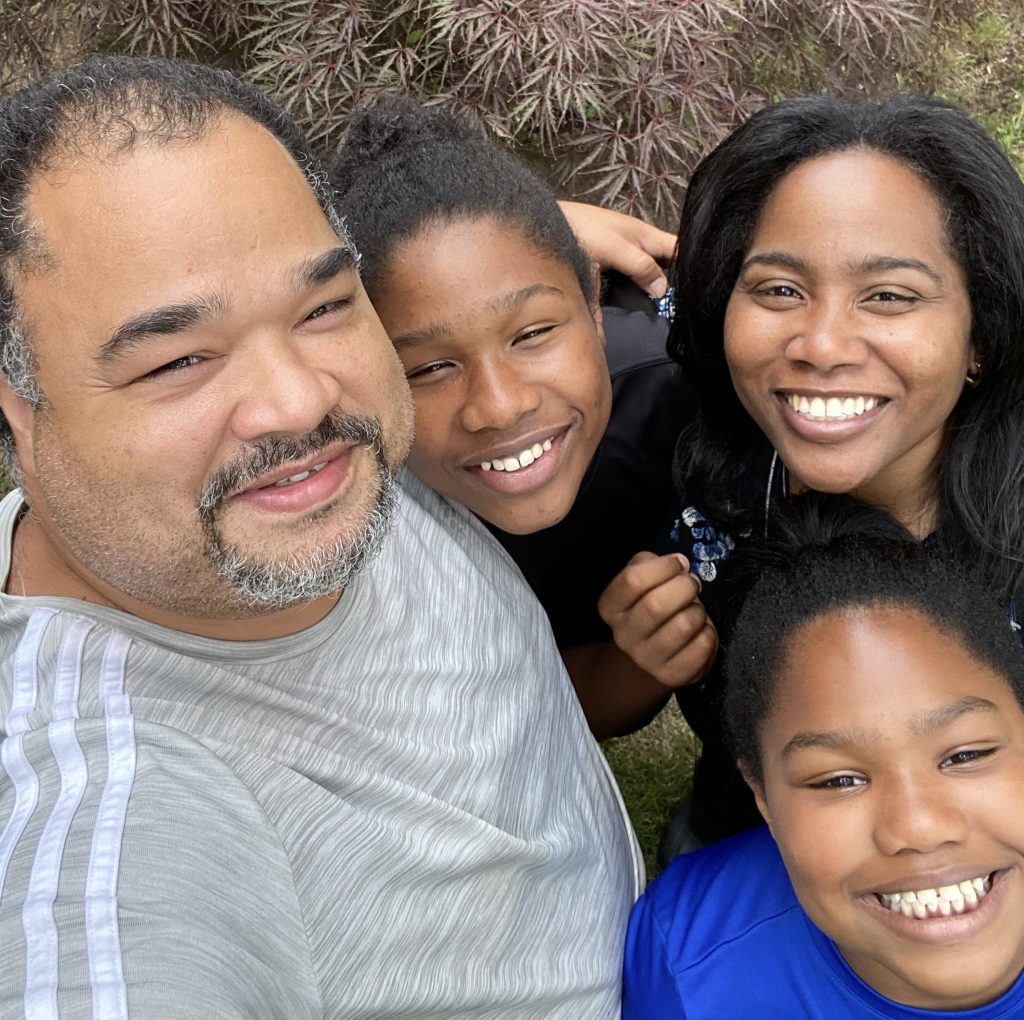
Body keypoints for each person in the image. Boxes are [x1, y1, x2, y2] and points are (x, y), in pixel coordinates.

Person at [0, 55, 644, 1017]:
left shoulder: (357, 448)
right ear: (19, 403)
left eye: (323, 304)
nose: (298, 400)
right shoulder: (106, 832)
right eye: (179, 358)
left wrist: (527, 235)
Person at [663, 93, 1024, 849]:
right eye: (780, 289)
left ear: (980, 336)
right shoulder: (719, 470)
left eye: (888, 296)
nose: (823, 345)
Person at [330, 96, 714, 739]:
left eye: (532, 333)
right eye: (428, 369)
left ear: (594, 303)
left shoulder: (692, 378)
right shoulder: (373, 532)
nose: (500, 406)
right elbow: (556, 705)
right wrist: (640, 662)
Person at [624, 505, 1024, 1017]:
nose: (920, 827)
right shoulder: (689, 963)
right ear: (763, 795)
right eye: (839, 780)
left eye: (967, 754)